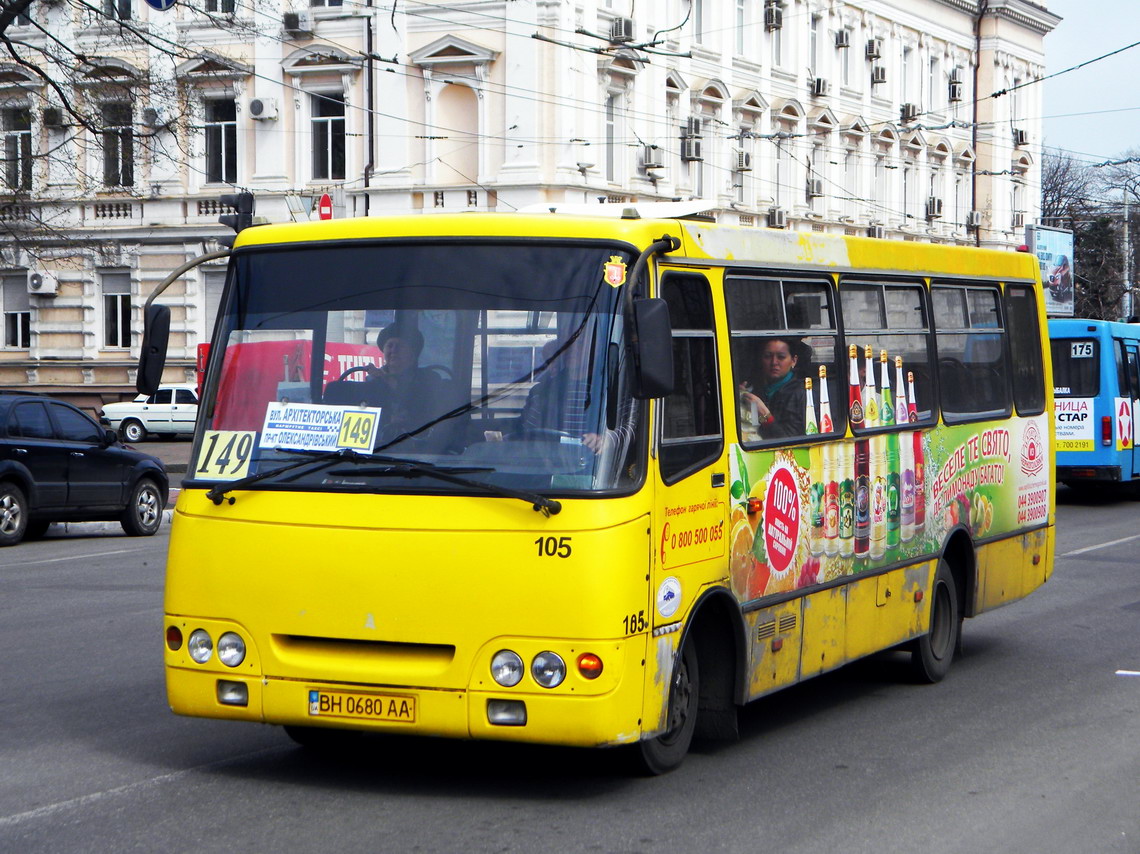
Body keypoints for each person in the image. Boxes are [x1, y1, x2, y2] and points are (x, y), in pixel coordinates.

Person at [360, 324, 445, 441]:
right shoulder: (372, 381)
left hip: (421, 449)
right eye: (390, 345)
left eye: (400, 346)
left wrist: (391, 383)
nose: (393, 350)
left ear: (413, 352)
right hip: (379, 450)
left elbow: (428, 415)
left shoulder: (430, 380)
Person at [739, 336, 807, 439]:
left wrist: (765, 415)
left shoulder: (800, 394)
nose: (774, 362)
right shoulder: (757, 388)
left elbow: (790, 443)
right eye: (767, 356)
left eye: (781, 357)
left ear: (793, 360)